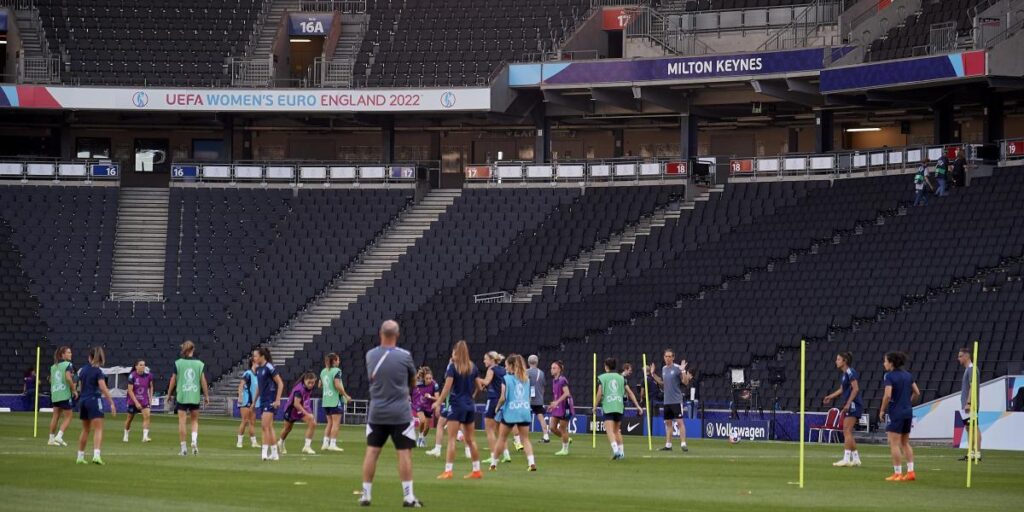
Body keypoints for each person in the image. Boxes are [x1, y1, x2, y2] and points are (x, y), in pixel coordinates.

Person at [360, 320, 422, 507]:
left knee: (372, 452)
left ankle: (366, 495)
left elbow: (373, 378)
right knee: (404, 453)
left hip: (377, 411)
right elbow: (413, 381)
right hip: (400, 413)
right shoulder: (405, 356)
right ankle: (408, 496)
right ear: (397, 334)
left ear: (380, 333)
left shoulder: (370, 355)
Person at [433, 340, 483, 480]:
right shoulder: (472, 367)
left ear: (456, 352)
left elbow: (447, 387)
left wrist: (438, 402)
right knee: (470, 439)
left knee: (451, 439)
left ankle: (448, 470)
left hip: (456, 405)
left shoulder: (453, 367)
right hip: (469, 405)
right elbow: (479, 386)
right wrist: (471, 396)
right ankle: (476, 470)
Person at [878, 352, 921, 482]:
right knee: (905, 442)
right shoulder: (908, 375)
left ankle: (897, 473)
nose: (884, 363)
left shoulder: (889, 376)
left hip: (896, 412)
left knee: (894, 443)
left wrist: (881, 410)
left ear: (891, 363)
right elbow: (917, 392)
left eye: (885, 361)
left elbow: (888, 395)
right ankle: (911, 472)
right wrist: (907, 402)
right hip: (908, 411)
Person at [491, 354, 537, 471]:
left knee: (502, 438)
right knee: (525, 439)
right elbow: (529, 397)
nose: (505, 368)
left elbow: (503, 397)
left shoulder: (506, 379)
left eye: (506, 365)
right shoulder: (526, 379)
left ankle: (493, 464)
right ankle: (531, 463)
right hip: (524, 411)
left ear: (511, 366)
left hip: (510, 412)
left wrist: (497, 408)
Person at [167, 340, 209, 456]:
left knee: (182, 422)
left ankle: (184, 448)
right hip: (194, 396)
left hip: (182, 396)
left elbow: (173, 380)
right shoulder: (199, 364)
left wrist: (169, 394)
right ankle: (194, 441)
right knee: (194, 421)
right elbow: (203, 381)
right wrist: (206, 396)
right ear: (193, 350)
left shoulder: (178, 363)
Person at [596, 358, 644, 460]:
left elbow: (599, 393)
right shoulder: (621, 378)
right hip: (619, 406)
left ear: (606, 366)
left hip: (608, 406)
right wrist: (638, 406)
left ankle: (615, 451)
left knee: (610, 431)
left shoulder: (602, 377)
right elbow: (630, 393)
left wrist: (595, 406)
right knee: (617, 430)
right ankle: (621, 453)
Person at [76, 347, 116, 465]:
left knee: (85, 429)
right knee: (98, 428)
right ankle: (96, 455)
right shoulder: (98, 371)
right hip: (93, 399)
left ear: (89, 357)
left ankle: (80, 456)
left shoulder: (83, 370)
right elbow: (103, 387)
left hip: (83, 400)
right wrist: (111, 403)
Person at [822, 352, 862, 467]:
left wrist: (848, 403)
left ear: (844, 361)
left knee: (846, 430)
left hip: (854, 404)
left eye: (838, 359)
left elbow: (856, 389)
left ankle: (846, 459)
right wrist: (830, 396)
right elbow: (841, 389)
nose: (836, 361)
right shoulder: (845, 374)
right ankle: (856, 459)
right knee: (847, 431)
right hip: (852, 404)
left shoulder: (850, 372)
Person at [650, 349, 689, 452]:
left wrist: (683, 371)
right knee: (668, 423)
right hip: (666, 401)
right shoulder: (663, 369)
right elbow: (662, 383)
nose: (667, 358)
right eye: (666, 356)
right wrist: (653, 374)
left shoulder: (677, 368)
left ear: (673, 357)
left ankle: (683, 444)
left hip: (676, 400)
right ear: (664, 357)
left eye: (669, 356)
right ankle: (668, 445)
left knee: (680, 422)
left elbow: (685, 382)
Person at [253, 346, 285, 461]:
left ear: (262, 356)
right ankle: (275, 454)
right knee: (269, 427)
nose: (254, 358)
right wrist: (254, 401)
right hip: (262, 401)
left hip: (270, 400)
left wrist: (277, 399)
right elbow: (259, 387)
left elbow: (280, 383)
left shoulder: (269, 367)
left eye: (256, 356)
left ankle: (264, 453)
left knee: (264, 426)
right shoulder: (258, 369)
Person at [479, 351, 510, 465]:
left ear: (492, 360)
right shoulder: (503, 369)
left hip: (493, 400)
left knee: (489, 429)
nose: (484, 361)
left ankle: (493, 456)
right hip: (503, 400)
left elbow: (486, 382)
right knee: (499, 430)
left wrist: (476, 378)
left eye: (485, 359)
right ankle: (506, 455)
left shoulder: (491, 369)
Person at [279, 372, 318, 455]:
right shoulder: (299, 390)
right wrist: (307, 413)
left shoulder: (309, 388)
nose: (311, 384)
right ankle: (280, 442)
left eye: (313, 382)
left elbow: (305, 400)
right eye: (309, 382)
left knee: (313, 423)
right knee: (287, 429)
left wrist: (309, 412)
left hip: (301, 408)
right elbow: (296, 404)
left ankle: (307, 447)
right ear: (304, 380)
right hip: (291, 410)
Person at [320, 353, 351, 452]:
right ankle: (332, 444)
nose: (339, 361)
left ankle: (325, 443)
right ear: (334, 361)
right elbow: (337, 385)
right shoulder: (337, 371)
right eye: (338, 360)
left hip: (326, 400)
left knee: (329, 423)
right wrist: (346, 395)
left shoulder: (323, 371)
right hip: (334, 400)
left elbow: (319, 385)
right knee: (336, 423)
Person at [47, 346, 76, 447]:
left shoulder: (53, 366)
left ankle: (51, 439)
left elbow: (50, 380)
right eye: (68, 352)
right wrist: (74, 390)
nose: (70, 354)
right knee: (69, 416)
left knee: (55, 416)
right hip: (64, 394)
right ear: (62, 355)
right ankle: (59, 436)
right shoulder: (68, 364)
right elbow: (68, 378)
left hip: (55, 394)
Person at [957, 347, 981, 462]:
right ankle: (971, 453)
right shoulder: (968, 369)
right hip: (966, 404)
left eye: (960, 356)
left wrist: (969, 403)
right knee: (968, 428)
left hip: (970, 404)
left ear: (967, 356)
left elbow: (972, 386)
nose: (958, 358)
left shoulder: (971, 369)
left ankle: (977, 453)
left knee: (974, 427)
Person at [123, 359, 154, 443]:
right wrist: (136, 402)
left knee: (147, 417)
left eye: (144, 365)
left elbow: (151, 387)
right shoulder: (132, 376)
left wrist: (150, 398)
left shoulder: (149, 375)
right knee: (129, 419)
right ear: (136, 366)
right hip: (133, 401)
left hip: (144, 400)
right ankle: (126, 434)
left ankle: (145, 437)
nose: (143, 366)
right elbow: (130, 390)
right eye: (140, 365)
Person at [548, 360, 574, 456]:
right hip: (558, 406)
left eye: (554, 368)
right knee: (552, 428)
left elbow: (567, 393)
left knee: (563, 429)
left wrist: (556, 403)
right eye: (551, 368)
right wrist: (552, 405)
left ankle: (565, 449)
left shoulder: (562, 380)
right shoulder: (554, 380)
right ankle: (567, 438)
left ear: (559, 369)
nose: (551, 370)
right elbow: (556, 395)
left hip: (565, 406)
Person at [412, 367, 439, 448]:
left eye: (430, 378)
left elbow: (438, 398)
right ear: (424, 378)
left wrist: (430, 396)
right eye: (427, 378)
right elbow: (411, 383)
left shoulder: (435, 385)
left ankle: (423, 438)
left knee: (427, 427)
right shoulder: (419, 383)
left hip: (429, 406)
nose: (429, 380)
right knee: (422, 420)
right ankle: (419, 437)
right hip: (419, 404)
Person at [527, 355, 550, 444]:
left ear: (528, 362)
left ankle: (522, 438)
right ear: (537, 362)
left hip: (527, 400)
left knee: (524, 419)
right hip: (539, 399)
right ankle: (546, 436)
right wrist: (540, 396)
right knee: (541, 418)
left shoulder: (526, 372)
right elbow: (543, 388)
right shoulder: (542, 373)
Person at [236, 357, 259, 449]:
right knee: (245, 421)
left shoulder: (257, 375)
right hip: (245, 401)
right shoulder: (248, 373)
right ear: (253, 362)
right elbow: (241, 385)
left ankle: (254, 442)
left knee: (252, 422)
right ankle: (239, 441)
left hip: (253, 402)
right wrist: (240, 397)